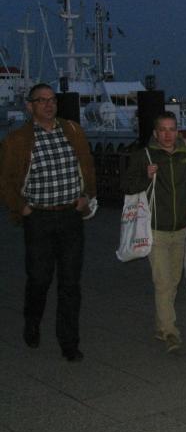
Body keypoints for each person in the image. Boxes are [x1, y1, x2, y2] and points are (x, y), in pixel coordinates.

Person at [0, 83, 96, 362]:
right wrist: (22, 208)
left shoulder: (73, 131)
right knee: (39, 278)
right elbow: (5, 181)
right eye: (41, 100)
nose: (48, 104)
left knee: (70, 282)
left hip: (70, 215)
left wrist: (87, 196)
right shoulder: (17, 139)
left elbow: (87, 165)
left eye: (52, 99)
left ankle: (69, 342)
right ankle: (32, 320)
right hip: (39, 217)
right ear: (30, 106)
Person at [122, 111, 186, 352]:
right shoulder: (144, 156)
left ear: (178, 131)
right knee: (163, 282)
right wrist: (145, 177)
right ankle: (170, 332)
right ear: (155, 133)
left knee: (174, 281)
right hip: (155, 229)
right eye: (163, 130)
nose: (168, 134)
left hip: (181, 228)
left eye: (172, 129)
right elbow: (126, 185)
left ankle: (161, 326)